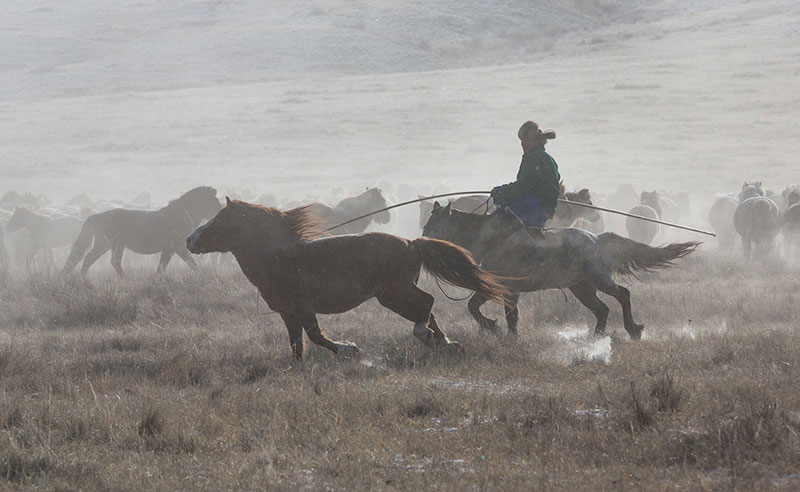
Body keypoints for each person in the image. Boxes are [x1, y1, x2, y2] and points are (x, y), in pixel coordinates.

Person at [490, 121, 561, 228]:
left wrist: (502, 191)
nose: (522, 144)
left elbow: (524, 185)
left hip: (534, 208)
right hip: (544, 210)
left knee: (494, 223)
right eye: (521, 141)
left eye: (525, 140)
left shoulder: (533, 158)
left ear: (536, 140)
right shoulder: (547, 158)